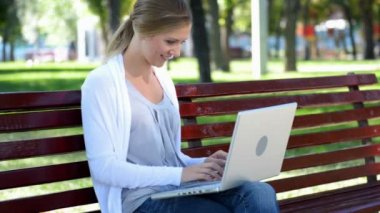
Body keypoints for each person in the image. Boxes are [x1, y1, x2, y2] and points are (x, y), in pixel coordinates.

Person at [81, 0, 279, 212]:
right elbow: (104, 168)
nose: (176, 51)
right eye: (170, 41)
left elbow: (170, 159)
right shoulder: (102, 83)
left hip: (177, 187)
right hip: (141, 200)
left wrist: (204, 165)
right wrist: (180, 175)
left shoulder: (163, 79)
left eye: (181, 43)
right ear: (142, 30)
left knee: (261, 193)